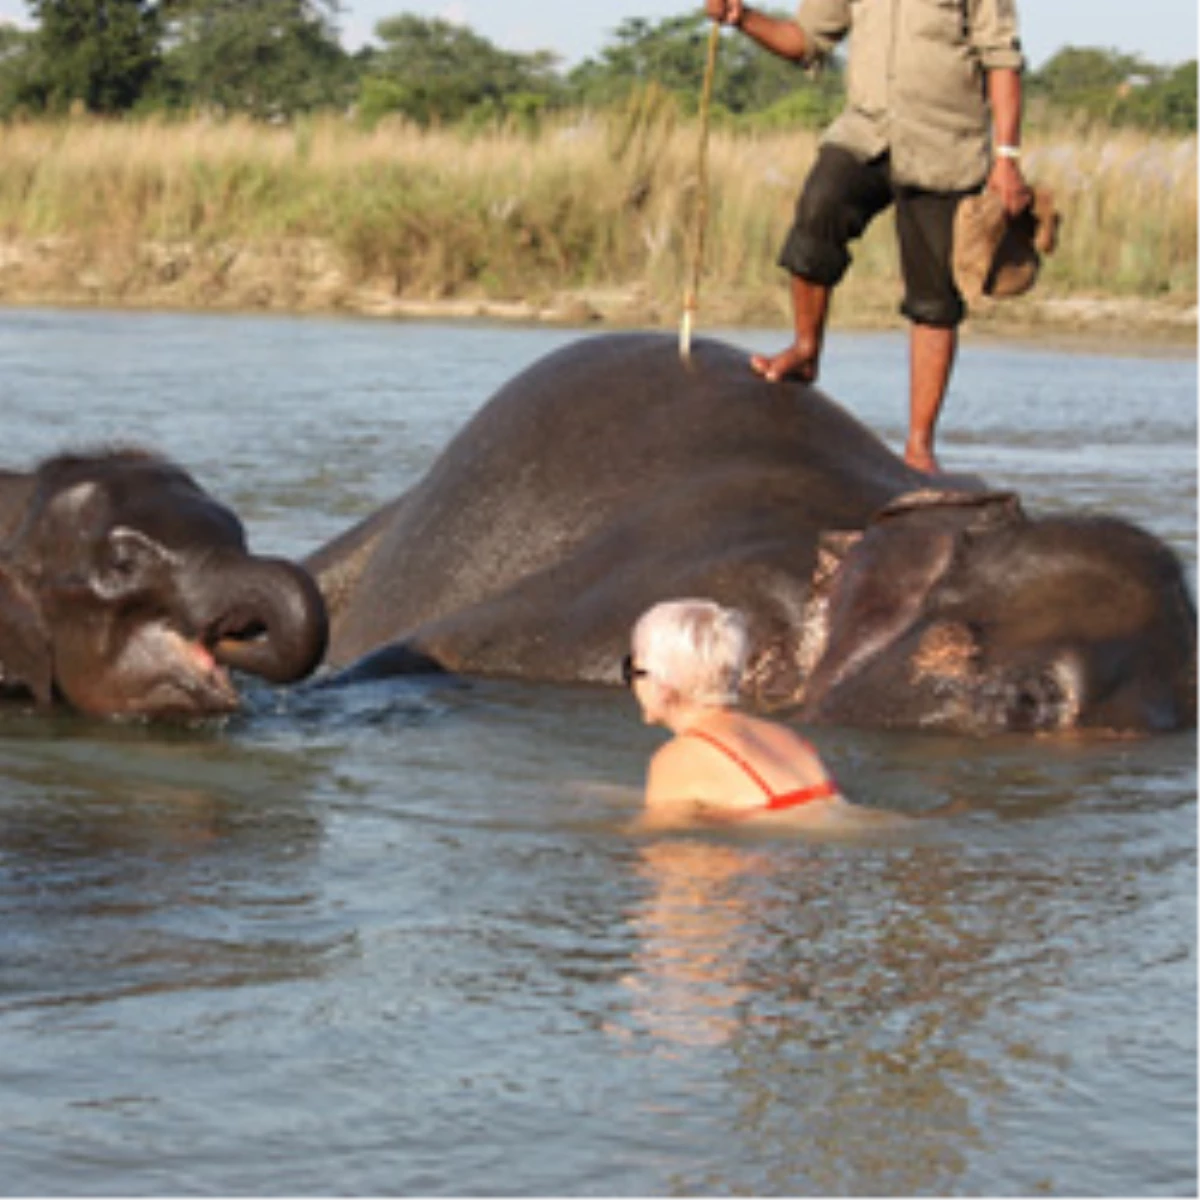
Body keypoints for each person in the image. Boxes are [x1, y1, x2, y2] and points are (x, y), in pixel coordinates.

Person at [703, 0, 1030, 474]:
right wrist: (740, 17)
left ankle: (919, 445)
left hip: (945, 145)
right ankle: (806, 351)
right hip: (867, 131)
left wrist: (1007, 157)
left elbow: (1002, 59)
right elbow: (804, 41)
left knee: (934, 295)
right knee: (820, 208)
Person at [624, 598, 898, 830]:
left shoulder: (678, 759)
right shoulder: (782, 735)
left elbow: (667, 855)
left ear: (663, 686)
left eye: (632, 671)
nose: (632, 685)